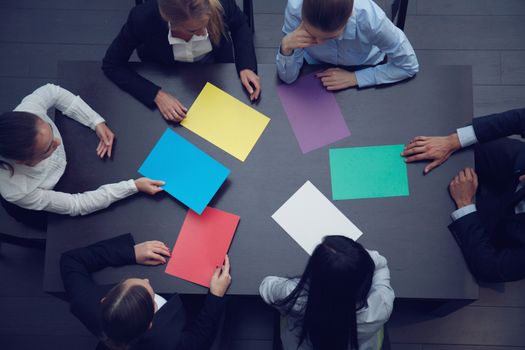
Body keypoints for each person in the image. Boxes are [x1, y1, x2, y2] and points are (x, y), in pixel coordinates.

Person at [0, 84, 165, 224]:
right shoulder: (19, 191)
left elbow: (53, 91)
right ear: (24, 161)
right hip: (43, 204)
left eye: (50, 129)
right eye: (48, 147)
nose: (57, 141)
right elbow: (76, 205)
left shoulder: (29, 111)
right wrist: (133, 186)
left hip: (72, 164)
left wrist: (95, 121)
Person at [402, 108, 525, 282]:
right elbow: (520, 118)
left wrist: (465, 205)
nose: (522, 178)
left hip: (510, 226)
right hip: (516, 160)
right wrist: (453, 141)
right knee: (460, 145)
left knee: (441, 238)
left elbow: (491, 268)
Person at [60, 233, 231, 349]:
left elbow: (70, 260)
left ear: (105, 300)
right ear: (150, 323)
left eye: (124, 282)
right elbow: (199, 340)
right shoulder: (169, 341)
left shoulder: (83, 302)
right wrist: (216, 296)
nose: (146, 280)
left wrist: (131, 252)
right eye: (151, 296)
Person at [102, 0, 260, 122]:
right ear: (170, 21)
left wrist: (246, 66)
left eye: (206, 23)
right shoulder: (142, 19)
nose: (205, 33)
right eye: (193, 30)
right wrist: (156, 94)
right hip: (167, 77)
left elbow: (240, 24)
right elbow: (112, 64)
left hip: (215, 72)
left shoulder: (220, 3)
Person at [259, 236, 394, 350]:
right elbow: (380, 263)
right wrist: (355, 259)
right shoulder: (381, 305)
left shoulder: (293, 296)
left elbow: (266, 285)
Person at [277, 0, 419, 90]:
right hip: (313, 66)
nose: (317, 42)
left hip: (366, 64)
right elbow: (288, 78)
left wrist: (356, 78)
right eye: (310, 33)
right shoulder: (295, 8)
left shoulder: (372, 20)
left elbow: (409, 66)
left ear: (349, 16)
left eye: (330, 37)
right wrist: (286, 48)